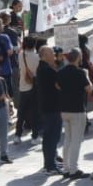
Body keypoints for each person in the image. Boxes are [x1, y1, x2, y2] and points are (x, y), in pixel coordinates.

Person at [57, 49, 90, 177]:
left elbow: (57, 86)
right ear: (78, 58)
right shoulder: (81, 73)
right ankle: (73, 169)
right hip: (77, 110)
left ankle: (66, 168)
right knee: (76, 141)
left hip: (64, 109)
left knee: (67, 140)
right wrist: (87, 77)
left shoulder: (61, 72)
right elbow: (89, 89)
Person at [33, 44, 64, 174]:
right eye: (52, 53)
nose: (54, 56)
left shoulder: (43, 68)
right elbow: (59, 84)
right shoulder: (47, 70)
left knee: (50, 137)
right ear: (45, 56)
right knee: (52, 136)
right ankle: (50, 165)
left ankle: (50, 162)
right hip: (52, 108)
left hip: (47, 107)